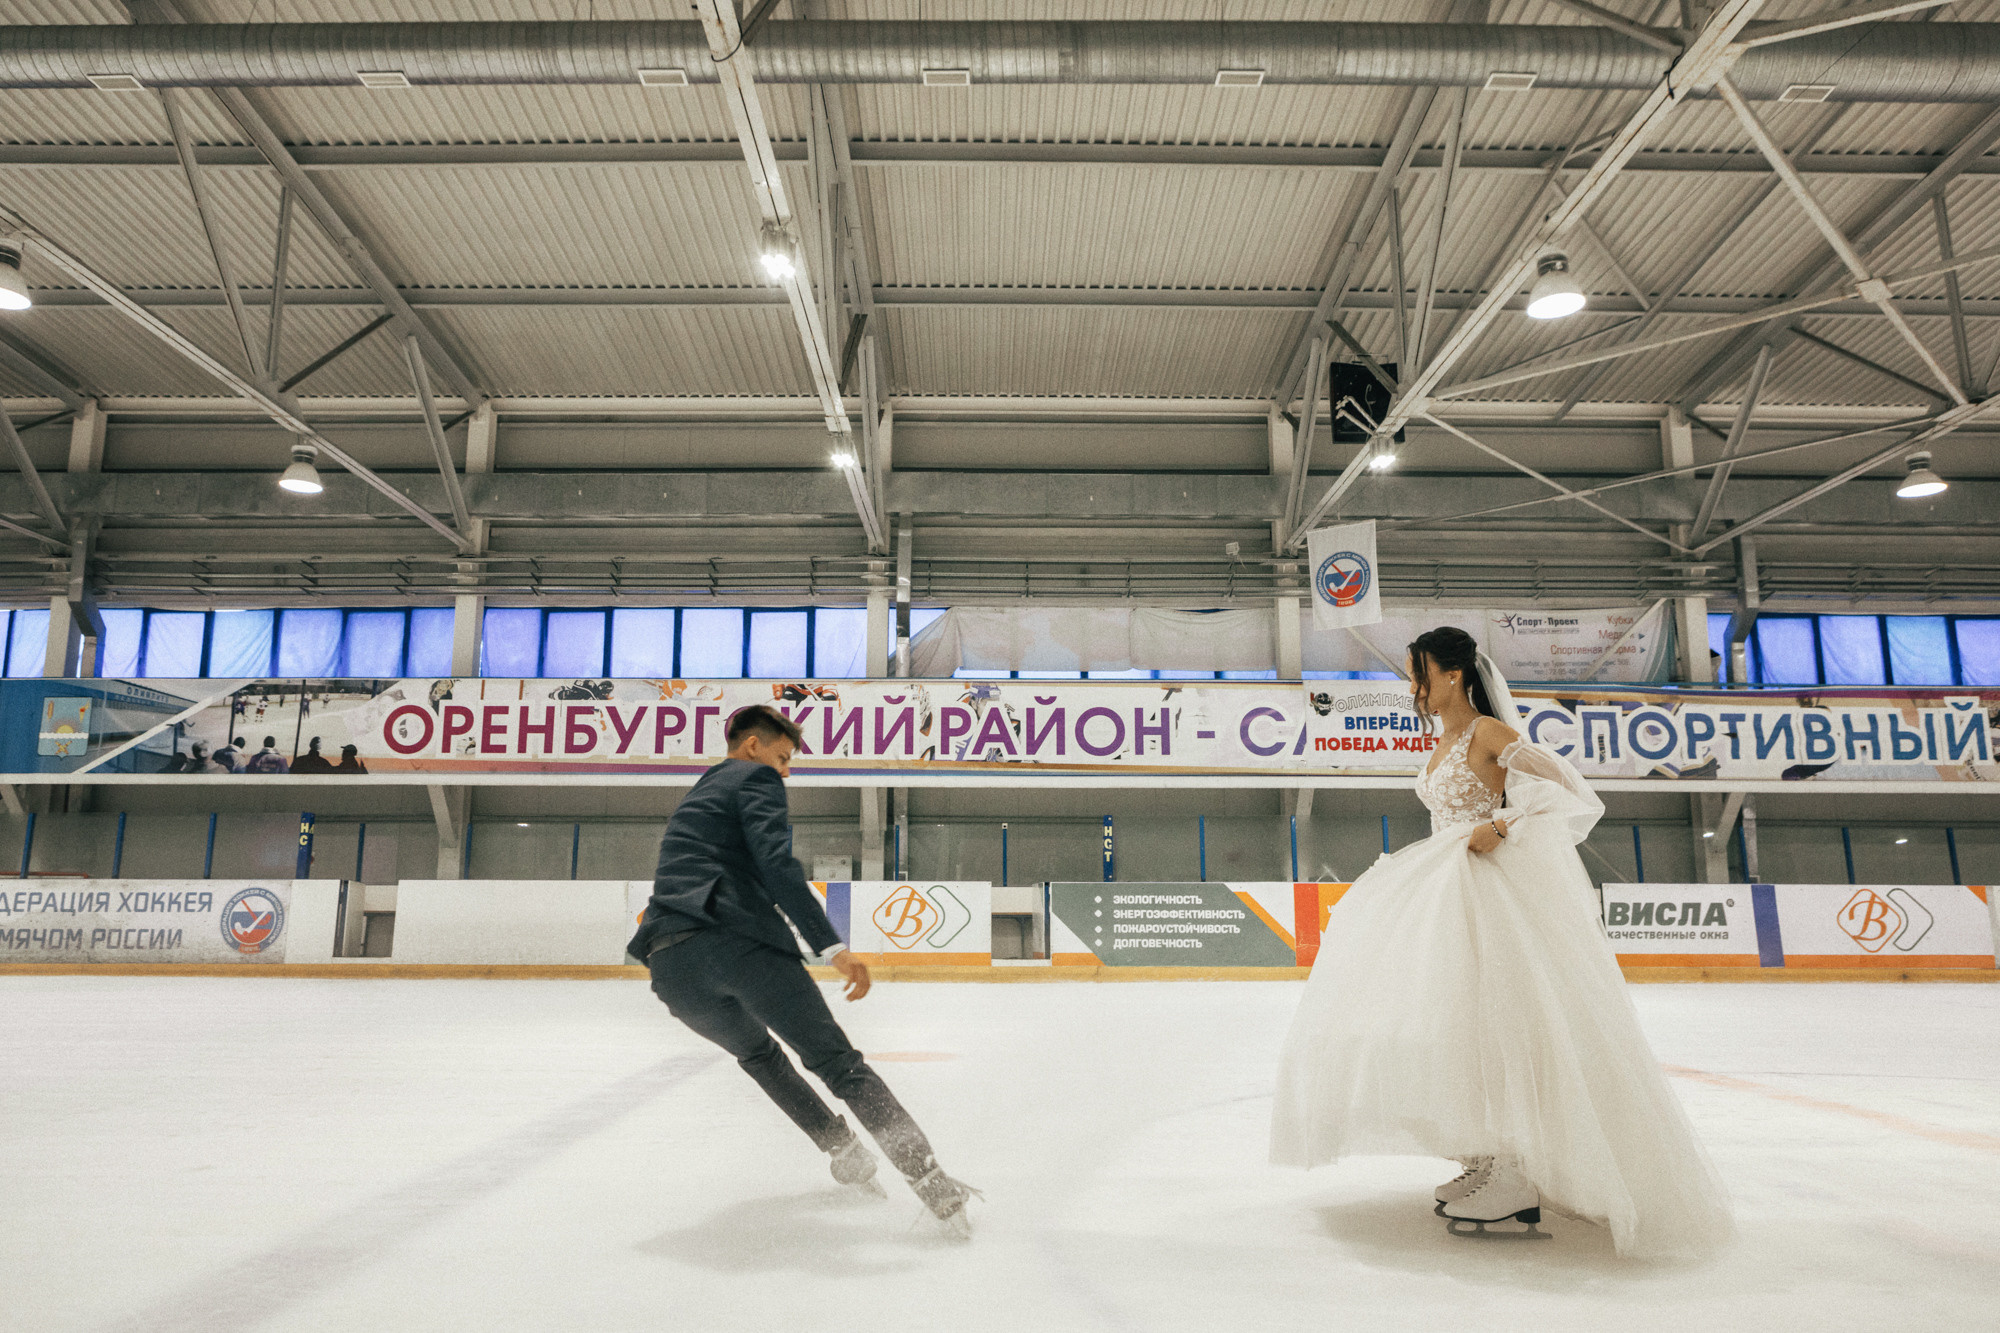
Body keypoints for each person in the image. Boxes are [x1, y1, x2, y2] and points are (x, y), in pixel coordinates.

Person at [1270, 626, 1732, 1259]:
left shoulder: (1489, 733)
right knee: (1454, 1026)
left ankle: (1517, 1170)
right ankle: (1486, 1153)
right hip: (1444, 892)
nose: (1415, 688)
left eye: (1421, 674)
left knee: (1503, 1024)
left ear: (1455, 673)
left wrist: (1502, 821)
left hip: (1491, 894)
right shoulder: (1442, 742)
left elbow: (1570, 795)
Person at [631, 704, 977, 1238]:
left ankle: (845, 1153)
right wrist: (831, 945)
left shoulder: (700, 793)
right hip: (736, 943)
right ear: (753, 746)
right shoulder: (755, 778)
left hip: (670, 966)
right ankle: (932, 1184)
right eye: (784, 757)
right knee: (840, 1065)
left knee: (759, 1056)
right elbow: (777, 865)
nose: (787, 771)